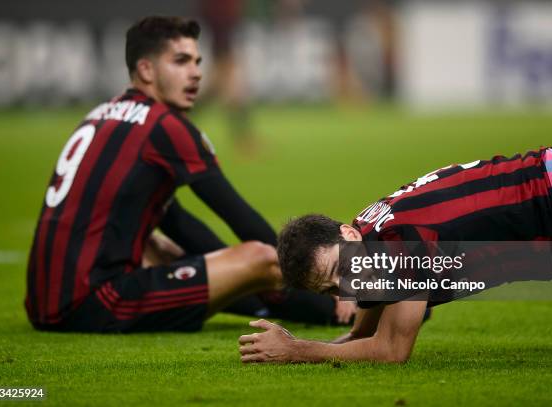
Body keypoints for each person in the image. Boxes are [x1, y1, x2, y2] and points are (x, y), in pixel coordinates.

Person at [25, 16, 351, 333]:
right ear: (146, 70)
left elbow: (178, 223)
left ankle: (273, 301)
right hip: (95, 301)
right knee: (262, 257)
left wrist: (230, 271)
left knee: (160, 247)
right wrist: (313, 291)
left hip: (45, 301)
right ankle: (337, 308)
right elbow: (243, 222)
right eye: (181, 62)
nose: (195, 74)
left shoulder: (99, 115)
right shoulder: (165, 126)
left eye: (197, 62)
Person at [238, 143, 552, 363]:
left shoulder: (400, 246)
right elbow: (367, 331)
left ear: (346, 234)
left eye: (340, 270)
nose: (348, 287)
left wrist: (297, 351)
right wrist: (327, 343)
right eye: (331, 289)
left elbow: (392, 351)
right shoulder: (367, 231)